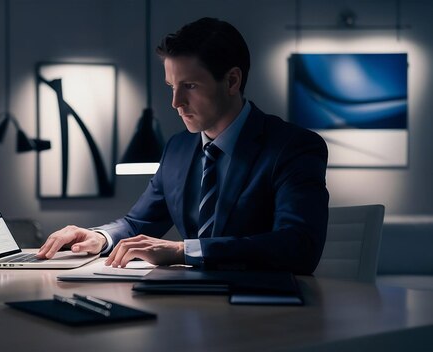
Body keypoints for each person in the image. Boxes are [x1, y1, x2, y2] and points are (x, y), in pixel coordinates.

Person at [36, 17, 329, 274]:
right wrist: (98, 236)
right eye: (171, 87)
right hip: (190, 306)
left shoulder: (293, 147)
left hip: (264, 314)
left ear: (232, 80)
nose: (176, 103)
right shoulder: (177, 148)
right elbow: (139, 223)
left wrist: (183, 251)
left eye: (189, 86)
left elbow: (298, 246)